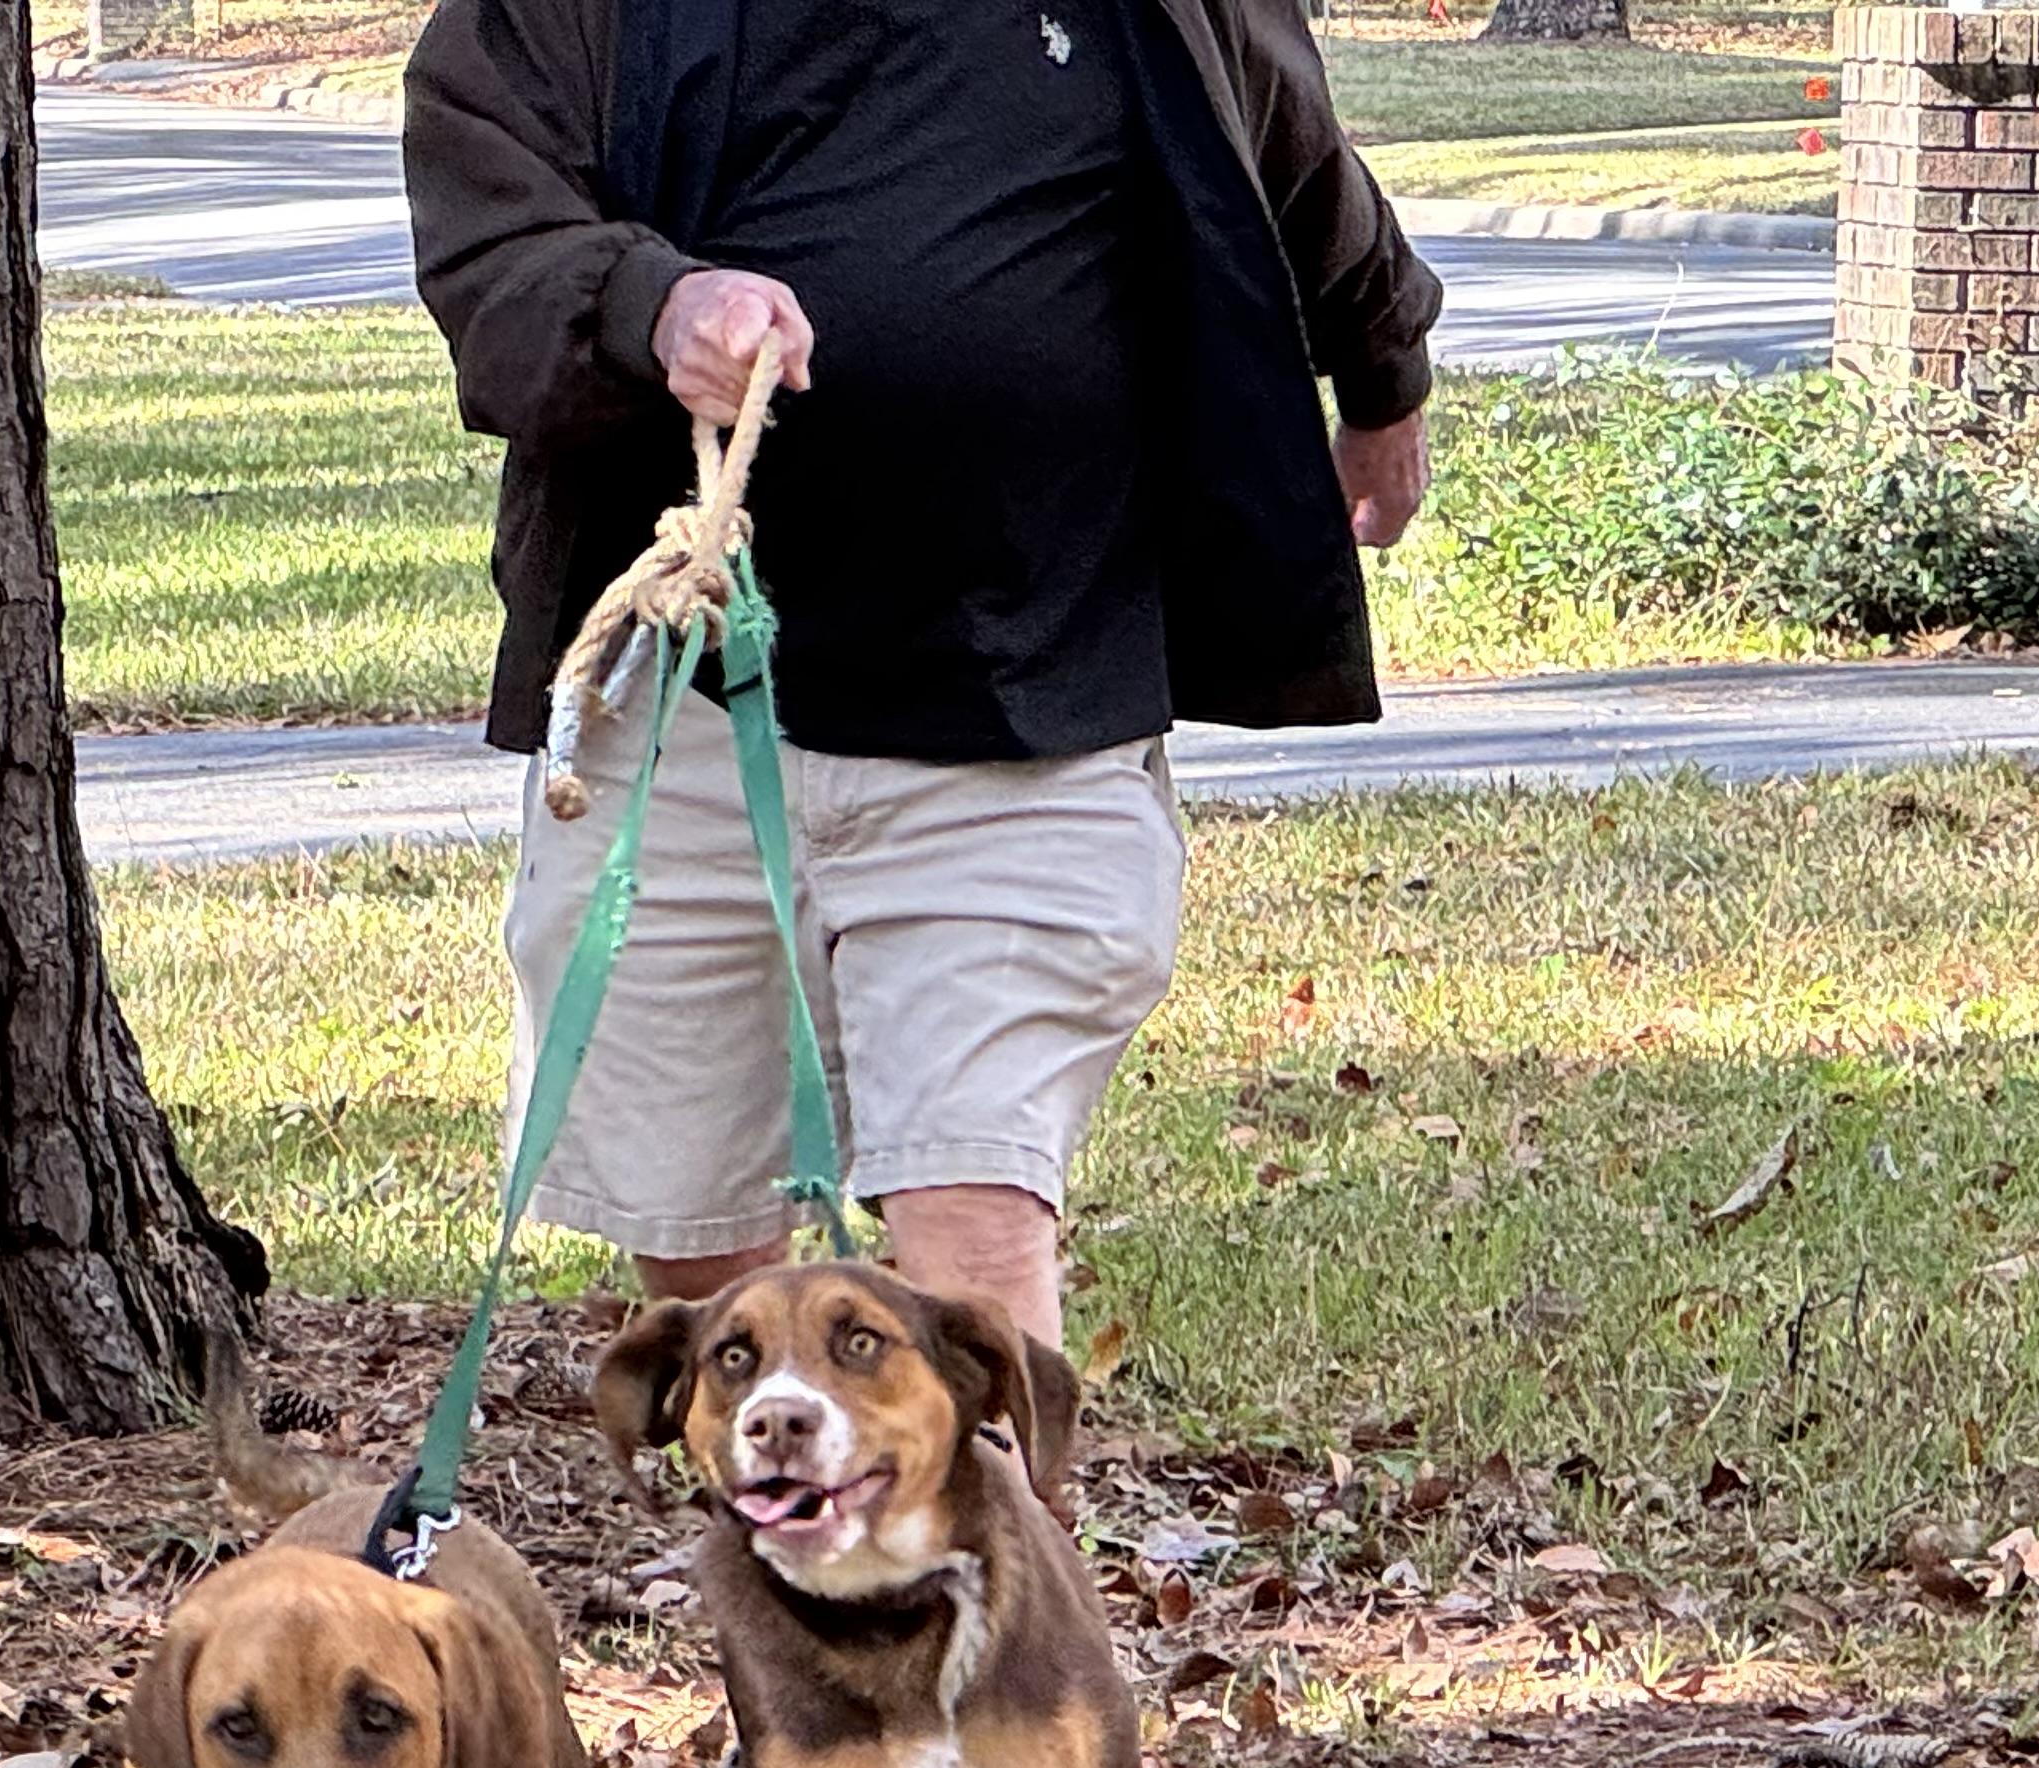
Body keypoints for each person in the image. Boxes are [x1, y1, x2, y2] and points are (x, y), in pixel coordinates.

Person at [404, 0, 1443, 1352]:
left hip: (1023, 697)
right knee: (707, 1260)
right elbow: (489, 228)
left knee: (977, 1237)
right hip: (689, 707)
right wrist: (653, 307)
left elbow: (1291, 145)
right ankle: (788, 1550)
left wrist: (1383, 373)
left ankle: (999, 1559)